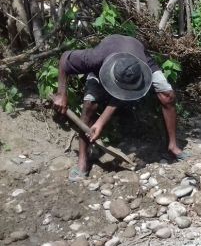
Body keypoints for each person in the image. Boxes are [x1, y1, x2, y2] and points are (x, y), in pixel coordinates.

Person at [52, 34, 189, 181]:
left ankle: (173, 146)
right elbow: (65, 58)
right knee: (89, 105)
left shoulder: (139, 67)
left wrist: (101, 122)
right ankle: (82, 162)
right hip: (105, 60)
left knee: (167, 94)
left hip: (135, 56)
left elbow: (125, 93)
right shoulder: (93, 59)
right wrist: (61, 93)